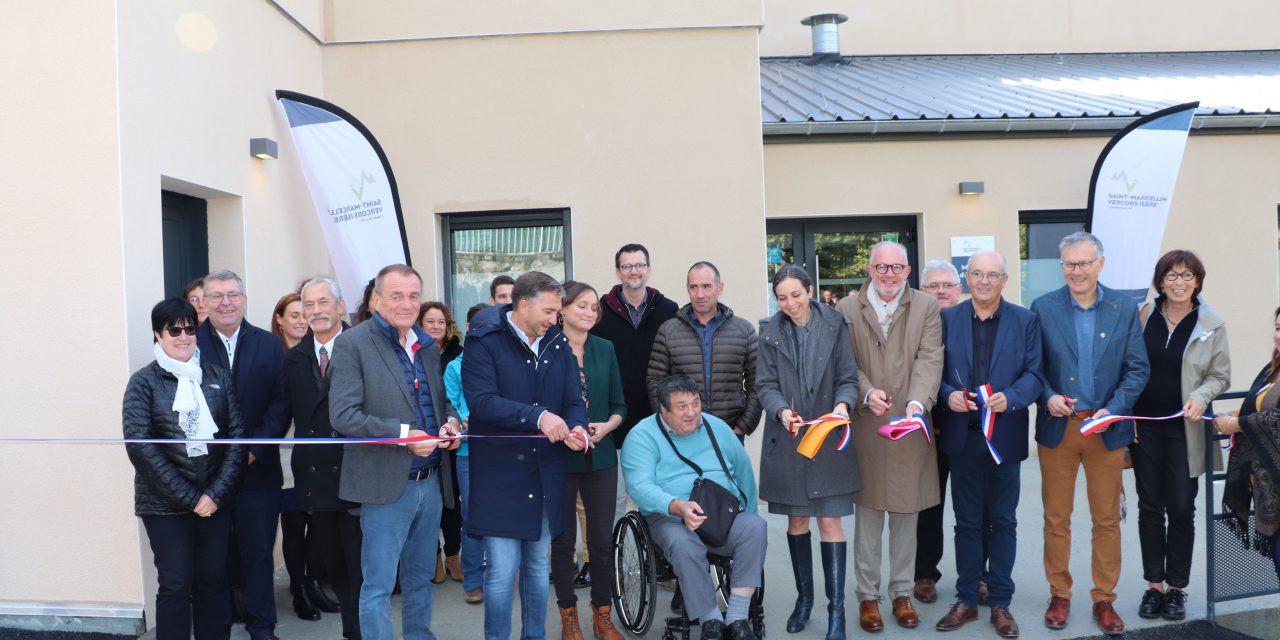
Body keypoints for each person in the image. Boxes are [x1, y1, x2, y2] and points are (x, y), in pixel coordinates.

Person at [329, 264, 463, 640]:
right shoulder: (353, 343)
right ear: (375, 300)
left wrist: (451, 426)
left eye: (414, 295)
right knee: (379, 585)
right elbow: (343, 416)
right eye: (396, 295)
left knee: (421, 579)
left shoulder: (427, 346)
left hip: (432, 483)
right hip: (386, 488)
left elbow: (441, 403)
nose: (407, 303)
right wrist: (405, 435)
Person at [1031, 231, 1149, 636]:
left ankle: (1105, 599)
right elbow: (1035, 369)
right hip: (1059, 427)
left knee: (1106, 519)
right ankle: (1059, 593)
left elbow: (1138, 369)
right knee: (1056, 518)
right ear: (1061, 266)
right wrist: (1047, 397)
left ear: (1101, 264)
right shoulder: (1043, 308)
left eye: (1083, 263)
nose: (1076, 271)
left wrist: (1113, 409)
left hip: (1107, 430)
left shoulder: (1123, 307)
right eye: (1069, 264)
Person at [463, 271, 589, 640]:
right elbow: (482, 402)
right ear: (522, 305)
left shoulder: (557, 343)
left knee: (537, 571)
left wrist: (577, 427)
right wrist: (537, 416)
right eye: (549, 311)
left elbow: (571, 400)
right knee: (501, 573)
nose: (554, 319)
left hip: (544, 471)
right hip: (500, 475)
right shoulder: (484, 341)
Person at [932, 251, 1043, 638]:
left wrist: (1011, 397)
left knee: (1003, 521)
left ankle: (1000, 603)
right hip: (963, 436)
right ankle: (965, 600)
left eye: (991, 274)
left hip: (1005, 436)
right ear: (966, 278)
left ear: (1004, 279)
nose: (983, 280)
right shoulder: (946, 320)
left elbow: (1035, 374)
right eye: (976, 273)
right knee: (965, 522)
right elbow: (934, 372)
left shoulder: (1025, 320)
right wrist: (947, 395)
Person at [835, 241, 943, 632]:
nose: (889, 274)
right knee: (868, 515)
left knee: (906, 513)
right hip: (867, 423)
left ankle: (902, 592)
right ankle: (868, 596)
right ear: (870, 269)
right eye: (882, 267)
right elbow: (844, 362)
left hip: (911, 425)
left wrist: (918, 405)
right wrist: (865, 392)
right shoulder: (847, 309)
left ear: (908, 271)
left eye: (897, 267)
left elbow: (930, 358)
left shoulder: (927, 307)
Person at [125, 298, 247, 640]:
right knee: (176, 583)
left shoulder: (218, 376)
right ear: (157, 335)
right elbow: (141, 448)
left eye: (190, 328)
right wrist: (192, 498)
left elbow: (237, 439)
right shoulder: (143, 383)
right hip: (164, 506)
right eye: (174, 329)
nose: (183, 336)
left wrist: (214, 495)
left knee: (212, 581)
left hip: (215, 502)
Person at [755, 265, 859, 638]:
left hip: (829, 439)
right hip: (789, 440)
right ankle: (804, 601)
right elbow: (764, 385)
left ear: (810, 290)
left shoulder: (837, 325)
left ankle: (837, 614)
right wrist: (782, 411)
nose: (790, 304)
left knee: (830, 523)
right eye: (782, 298)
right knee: (797, 522)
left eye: (796, 295)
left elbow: (849, 377)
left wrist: (844, 405)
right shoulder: (769, 331)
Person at [622, 375, 766, 640]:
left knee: (755, 528)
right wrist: (677, 506)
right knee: (684, 543)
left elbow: (744, 471)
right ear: (663, 410)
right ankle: (711, 618)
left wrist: (749, 511)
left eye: (696, 404)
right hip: (669, 516)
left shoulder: (717, 428)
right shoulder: (642, 436)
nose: (691, 413)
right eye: (681, 407)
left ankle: (736, 617)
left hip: (721, 514)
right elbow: (640, 486)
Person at [1131, 251, 1230, 621]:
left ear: (1198, 282)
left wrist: (1200, 397)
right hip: (1145, 427)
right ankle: (1153, 586)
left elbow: (1220, 376)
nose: (1178, 282)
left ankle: (1176, 588)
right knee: (1149, 507)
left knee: (1182, 508)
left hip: (1184, 429)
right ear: (1160, 281)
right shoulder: (1142, 317)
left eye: (1187, 276)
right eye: (1171, 275)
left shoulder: (1212, 323)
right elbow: (1128, 365)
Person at [195, 270, 289, 640]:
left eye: (232, 294)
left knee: (258, 556)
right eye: (216, 296)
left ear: (245, 299)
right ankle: (215, 630)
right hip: (208, 476)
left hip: (257, 473)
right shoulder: (190, 343)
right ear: (204, 302)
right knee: (213, 562)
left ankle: (262, 628)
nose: (225, 303)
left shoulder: (268, 345)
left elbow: (282, 403)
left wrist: (253, 449)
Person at [283, 276, 362, 640]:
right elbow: (279, 413)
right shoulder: (293, 359)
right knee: (336, 566)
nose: (315, 312)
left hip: (360, 473)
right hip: (316, 479)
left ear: (340, 306)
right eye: (308, 305)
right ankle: (352, 632)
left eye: (323, 303)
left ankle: (362, 631)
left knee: (363, 566)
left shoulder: (364, 347)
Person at [552, 281, 627, 640]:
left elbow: (619, 405)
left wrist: (605, 427)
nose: (589, 312)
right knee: (563, 542)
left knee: (600, 542)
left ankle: (602, 615)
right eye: (581, 305)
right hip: (559, 459)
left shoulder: (605, 348)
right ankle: (569, 618)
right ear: (562, 309)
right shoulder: (547, 349)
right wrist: (565, 430)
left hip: (602, 458)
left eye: (594, 307)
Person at [591, 243, 678, 520]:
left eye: (639, 265)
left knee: (653, 497)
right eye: (627, 266)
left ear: (649, 269)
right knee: (614, 500)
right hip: (614, 417)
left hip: (657, 417)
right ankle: (616, 562)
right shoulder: (601, 311)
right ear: (618, 271)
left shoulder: (668, 309)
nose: (634, 271)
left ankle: (655, 561)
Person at [913, 260, 980, 605]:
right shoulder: (916, 322)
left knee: (973, 509)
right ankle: (924, 573)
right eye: (932, 285)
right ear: (922, 290)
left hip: (970, 429)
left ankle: (978, 576)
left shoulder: (976, 319)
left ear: (960, 287)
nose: (941, 291)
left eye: (947, 284)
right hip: (926, 431)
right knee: (928, 508)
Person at [271, 291, 338, 623]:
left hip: (320, 454)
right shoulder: (276, 356)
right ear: (280, 320)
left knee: (319, 522)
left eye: (304, 314)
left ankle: (313, 583)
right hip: (286, 453)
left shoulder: (323, 351)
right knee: (295, 523)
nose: (301, 320)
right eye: (294, 315)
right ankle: (299, 589)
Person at [646, 261, 761, 441]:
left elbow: (758, 382)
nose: (700, 294)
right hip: (683, 434)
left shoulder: (744, 330)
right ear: (688, 289)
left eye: (706, 286)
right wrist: (669, 421)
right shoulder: (668, 331)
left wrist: (743, 426)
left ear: (720, 287)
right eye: (694, 287)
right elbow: (655, 381)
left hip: (729, 432)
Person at [1214, 308, 1280, 584]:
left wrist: (1237, 424)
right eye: (1277, 327)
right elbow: (1257, 407)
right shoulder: (1272, 369)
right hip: (1270, 484)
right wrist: (1232, 416)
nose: (1279, 335)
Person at [443, 303, 491, 605]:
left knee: (503, 515)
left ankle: (499, 576)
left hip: (505, 452)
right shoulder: (454, 367)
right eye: (480, 326)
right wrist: (464, 417)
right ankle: (472, 579)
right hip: (468, 453)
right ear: (470, 328)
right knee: (472, 516)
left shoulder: (503, 362)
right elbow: (450, 403)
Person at [418, 300, 465, 584]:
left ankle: (453, 555)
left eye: (441, 322)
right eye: (430, 322)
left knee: (452, 502)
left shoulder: (458, 354)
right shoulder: (415, 353)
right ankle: (433, 557)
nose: (436, 326)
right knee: (428, 503)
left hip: (451, 438)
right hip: (422, 440)